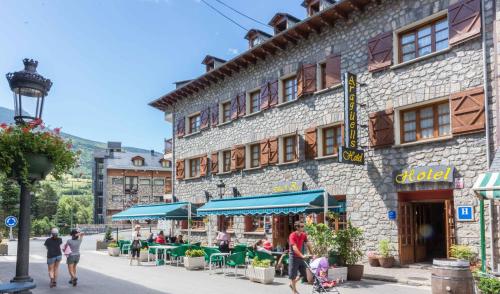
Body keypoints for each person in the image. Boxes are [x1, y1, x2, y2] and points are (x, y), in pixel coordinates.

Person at [288, 221, 313, 294]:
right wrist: (302, 256)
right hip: (293, 256)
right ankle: (294, 291)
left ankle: (292, 284)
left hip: (300, 257)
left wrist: (312, 253)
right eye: (301, 226)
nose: (303, 228)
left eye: (303, 226)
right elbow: (294, 248)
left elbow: (308, 244)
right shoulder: (292, 235)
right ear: (297, 227)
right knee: (293, 275)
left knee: (304, 274)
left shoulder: (303, 235)